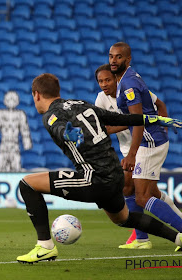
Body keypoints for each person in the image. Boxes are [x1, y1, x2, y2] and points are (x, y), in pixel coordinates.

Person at [16, 73, 182, 264]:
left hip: (93, 179)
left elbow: (58, 127)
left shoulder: (51, 115)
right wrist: (155, 119)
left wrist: (67, 134)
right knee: (123, 218)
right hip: (115, 177)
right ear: (57, 91)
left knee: (26, 184)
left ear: (36, 95)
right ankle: (178, 238)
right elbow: (121, 118)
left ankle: (45, 247)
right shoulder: (81, 104)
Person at [95, 64, 182, 249]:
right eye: (100, 81)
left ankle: (149, 237)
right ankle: (141, 239)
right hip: (130, 148)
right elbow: (102, 126)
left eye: (107, 80)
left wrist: (162, 126)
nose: (104, 84)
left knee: (140, 194)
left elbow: (154, 108)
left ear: (116, 79)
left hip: (143, 145)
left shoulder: (129, 90)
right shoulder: (101, 99)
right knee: (135, 191)